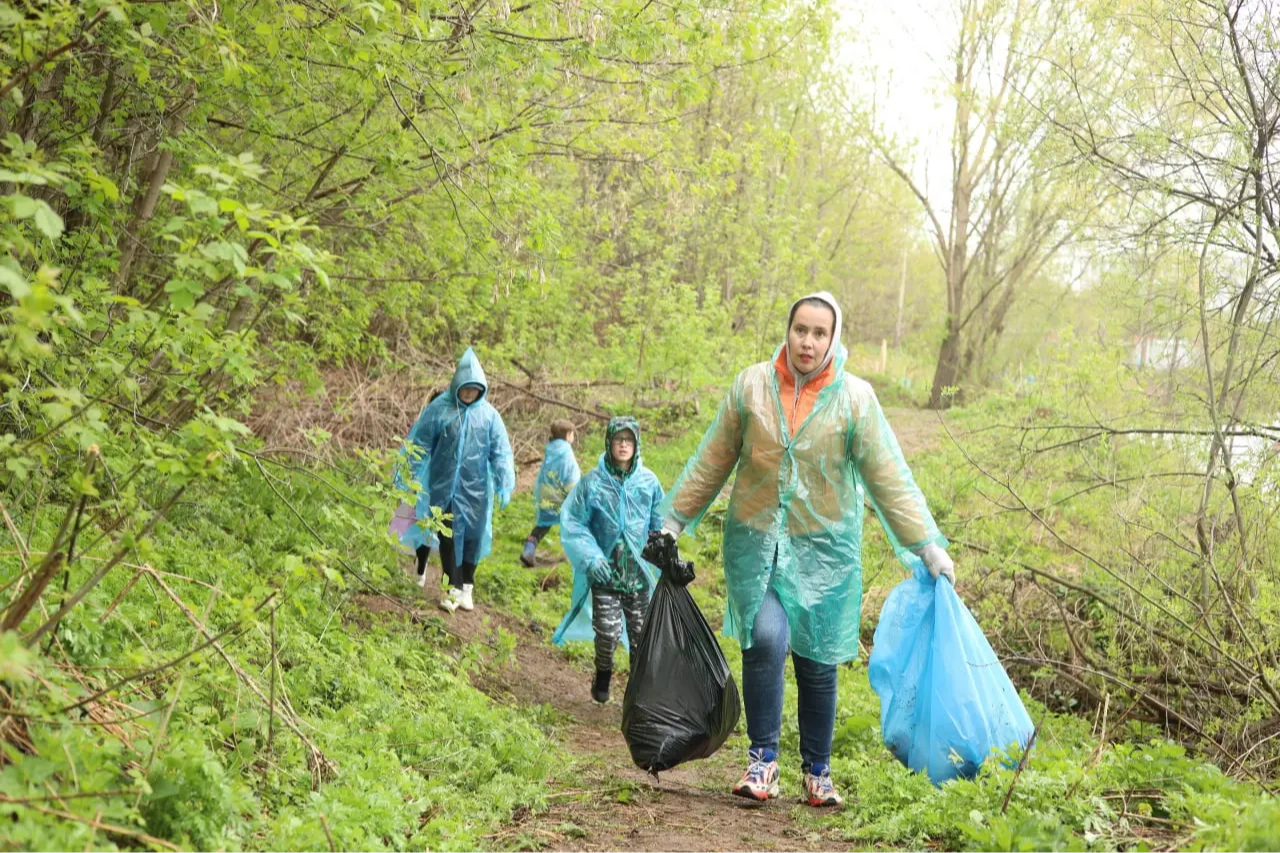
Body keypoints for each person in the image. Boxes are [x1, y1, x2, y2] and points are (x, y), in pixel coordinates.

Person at [657, 291, 954, 807]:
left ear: (833, 337)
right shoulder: (751, 387)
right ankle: (763, 761)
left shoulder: (855, 399)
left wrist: (927, 546)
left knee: (817, 661)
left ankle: (818, 770)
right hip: (756, 545)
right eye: (801, 329)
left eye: (820, 333)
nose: (808, 341)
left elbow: (890, 479)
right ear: (788, 330)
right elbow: (712, 460)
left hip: (826, 555)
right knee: (766, 638)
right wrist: (671, 522)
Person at [552, 417, 665, 704]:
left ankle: (638, 695)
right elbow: (575, 523)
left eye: (629, 440)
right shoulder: (592, 483)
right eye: (619, 440)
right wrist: (591, 558)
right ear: (609, 443)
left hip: (638, 576)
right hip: (606, 574)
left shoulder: (648, 482)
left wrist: (661, 551)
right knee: (608, 632)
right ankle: (603, 672)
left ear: (636, 443)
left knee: (642, 637)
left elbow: (659, 520)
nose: (624, 445)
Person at [394, 348, 516, 614]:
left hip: (477, 489)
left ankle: (467, 586)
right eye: (466, 388)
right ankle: (452, 587)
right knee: (447, 538)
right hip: (443, 487)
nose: (470, 394)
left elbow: (501, 451)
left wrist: (505, 481)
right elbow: (419, 443)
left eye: (475, 389)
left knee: (471, 538)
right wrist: (406, 472)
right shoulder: (439, 410)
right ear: (456, 384)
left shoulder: (490, 416)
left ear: (481, 388)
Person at [521, 419, 581, 567]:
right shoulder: (567, 453)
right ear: (568, 435)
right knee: (573, 524)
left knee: (542, 525)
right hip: (561, 496)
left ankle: (528, 551)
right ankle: (574, 556)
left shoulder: (551, 449)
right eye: (572, 433)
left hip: (545, 493)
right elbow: (571, 477)